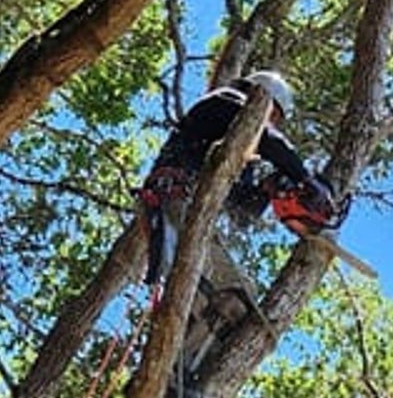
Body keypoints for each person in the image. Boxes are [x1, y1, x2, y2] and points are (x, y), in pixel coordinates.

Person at [138, 71, 330, 298]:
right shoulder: (225, 100)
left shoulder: (240, 155)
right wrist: (304, 177)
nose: (272, 123)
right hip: (172, 196)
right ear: (258, 95)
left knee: (226, 296)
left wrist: (268, 188)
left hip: (189, 211)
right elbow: (268, 138)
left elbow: (242, 212)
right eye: (274, 116)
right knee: (234, 294)